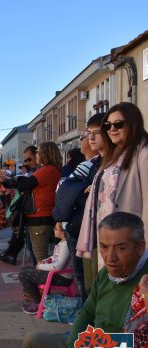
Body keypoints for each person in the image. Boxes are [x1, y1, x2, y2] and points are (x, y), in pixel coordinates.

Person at [23, 212, 148, 348]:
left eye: (121, 248)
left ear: (140, 248)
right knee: (34, 343)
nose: (110, 257)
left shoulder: (145, 283)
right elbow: (87, 314)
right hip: (95, 347)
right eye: (104, 247)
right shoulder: (108, 273)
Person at [78, 102, 148, 273]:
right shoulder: (114, 156)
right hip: (109, 237)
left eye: (118, 124)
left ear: (133, 123)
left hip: (130, 241)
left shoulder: (143, 154)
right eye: (108, 125)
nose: (112, 129)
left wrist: (144, 247)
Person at [52, 113, 104, 303]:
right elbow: (63, 188)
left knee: (87, 281)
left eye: (94, 133)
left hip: (91, 230)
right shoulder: (94, 165)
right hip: (80, 227)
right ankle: (86, 323)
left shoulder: (95, 164)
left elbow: (63, 188)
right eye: (87, 133)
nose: (89, 138)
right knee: (86, 281)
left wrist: (77, 190)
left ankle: (88, 325)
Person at [16, 142, 62, 264]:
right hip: (43, 216)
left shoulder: (47, 170)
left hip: (40, 217)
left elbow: (23, 185)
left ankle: (43, 280)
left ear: (44, 154)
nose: (37, 155)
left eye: (38, 152)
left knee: (40, 257)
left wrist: (12, 179)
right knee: (37, 253)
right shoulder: (53, 170)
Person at [0, 146, 39, 265]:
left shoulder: (41, 171)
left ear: (38, 156)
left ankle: (11, 255)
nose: (27, 163)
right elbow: (20, 183)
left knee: (23, 234)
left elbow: (24, 183)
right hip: (31, 210)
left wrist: (8, 180)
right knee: (19, 229)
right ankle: (10, 254)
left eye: (29, 160)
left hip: (37, 212)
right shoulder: (35, 171)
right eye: (25, 161)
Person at [18, 222, 72, 314]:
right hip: (56, 274)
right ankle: (37, 300)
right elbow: (54, 258)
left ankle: (38, 303)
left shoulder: (66, 245)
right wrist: (44, 261)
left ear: (63, 233)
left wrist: (40, 266)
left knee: (23, 275)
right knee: (24, 269)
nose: (54, 230)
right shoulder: (62, 243)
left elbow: (58, 266)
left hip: (62, 277)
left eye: (56, 229)